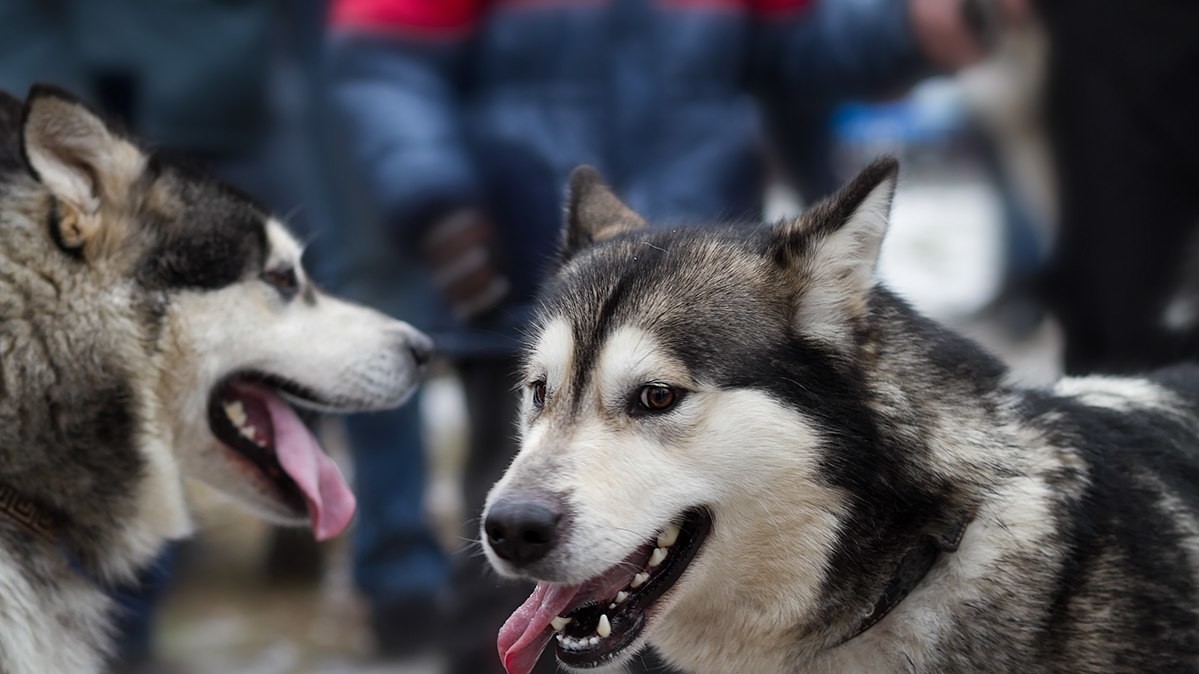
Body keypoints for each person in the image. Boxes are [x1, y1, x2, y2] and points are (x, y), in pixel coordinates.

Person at [326, 1, 1020, 672]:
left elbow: (800, 39)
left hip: (714, 279)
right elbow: (384, 62)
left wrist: (912, 22)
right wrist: (433, 194)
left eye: (655, 398)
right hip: (516, 254)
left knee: (672, 576)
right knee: (513, 575)